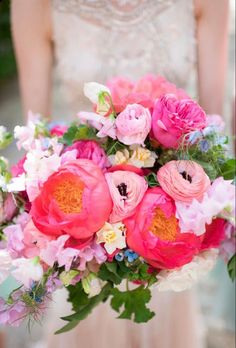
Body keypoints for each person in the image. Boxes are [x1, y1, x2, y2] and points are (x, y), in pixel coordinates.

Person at [11, 1, 229, 347]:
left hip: (169, 225)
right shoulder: (34, 6)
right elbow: (35, 138)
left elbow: (214, 132)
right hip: (84, 230)